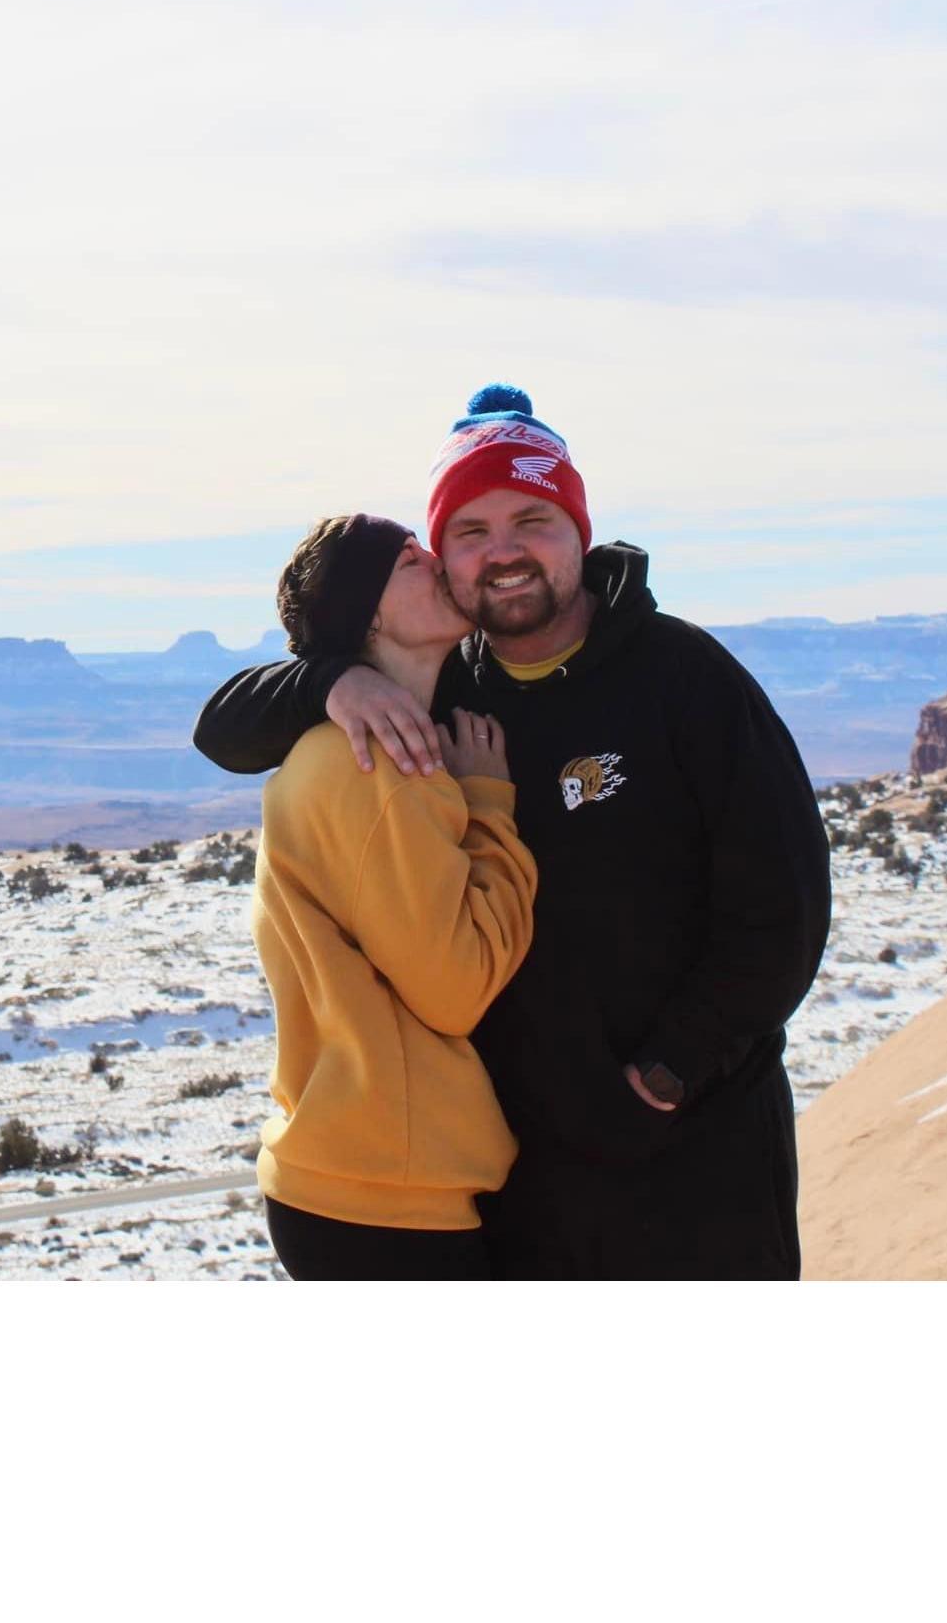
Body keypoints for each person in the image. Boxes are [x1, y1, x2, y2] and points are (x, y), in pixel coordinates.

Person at [199, 385, 832, 1280]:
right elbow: (222, 730)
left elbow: (783, 910)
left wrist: (667, 1073)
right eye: (469, 531)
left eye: (531, 520)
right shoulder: (439, 689)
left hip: (692, 1163)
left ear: (579, 530)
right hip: (512, 1183)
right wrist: (331, 683)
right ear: (446, 558)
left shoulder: (684, 678)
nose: (503, 554)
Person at [249, 512, 537, 1281]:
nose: (435, 557)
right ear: (367, 612)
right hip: (388, 1194)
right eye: (409, 559)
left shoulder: (330, 749)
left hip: (350, 1174)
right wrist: (490, 809)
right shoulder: (383, 767)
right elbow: (457, 987)